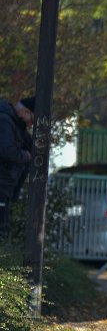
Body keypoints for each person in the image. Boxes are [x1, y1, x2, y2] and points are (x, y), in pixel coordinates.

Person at [0, 96, 35, 235]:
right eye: (32, 120)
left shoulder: (15, 124)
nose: (31, 125)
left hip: (5, 185)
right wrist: (25, 156)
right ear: (25, 112)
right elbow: (7, 151)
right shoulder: (6, 121)